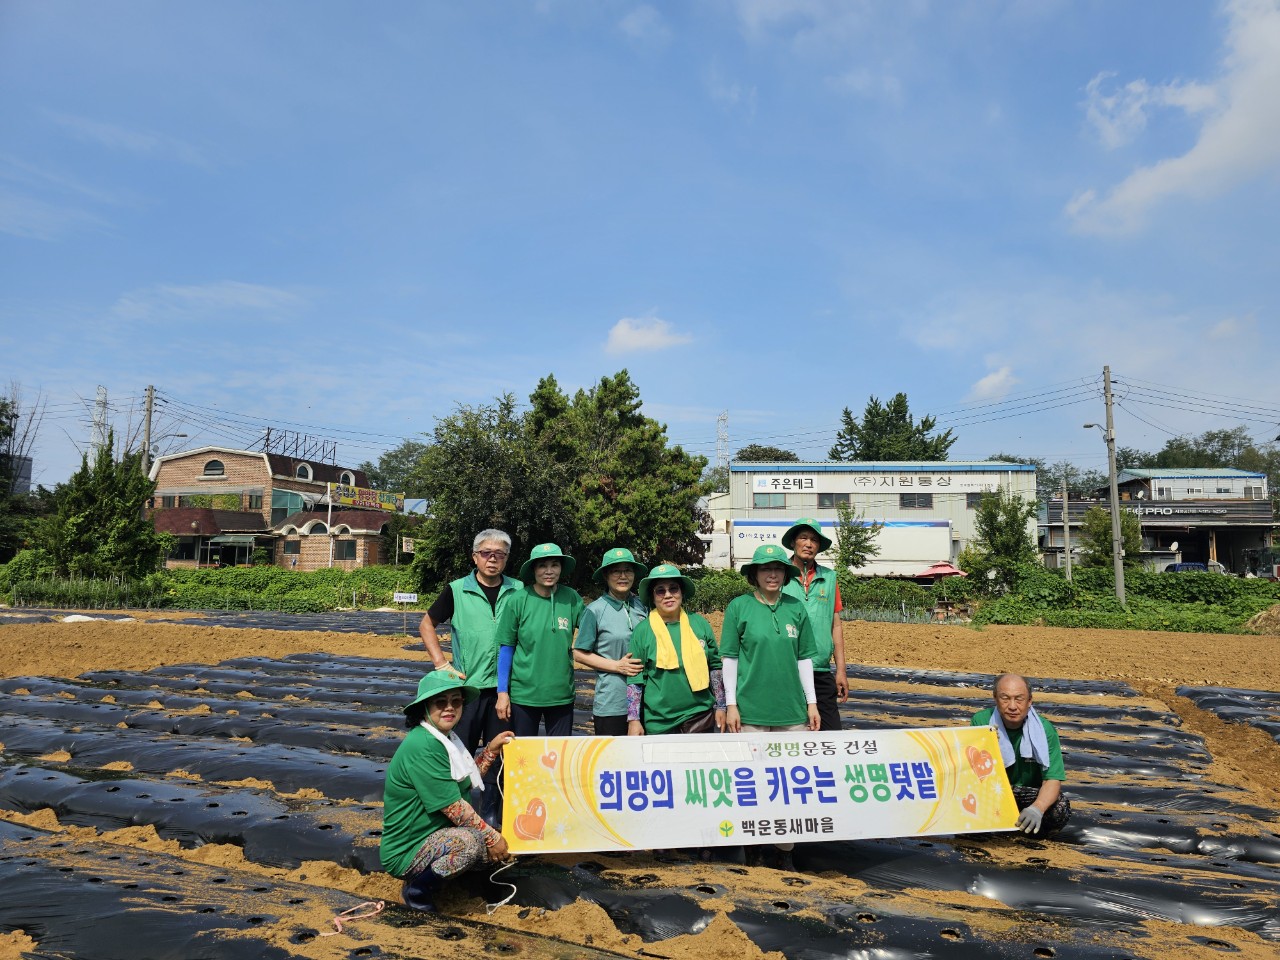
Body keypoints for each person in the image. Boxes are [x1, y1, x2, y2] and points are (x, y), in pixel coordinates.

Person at [380, 671, 514, 912]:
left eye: (456, 701)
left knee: (492, 848)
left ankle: (454, 883)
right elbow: (454, 808)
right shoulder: (422, 745)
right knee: (471, 843)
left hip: (437, 835)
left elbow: (466, 779)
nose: (449, 708)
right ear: (424, 708)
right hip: (409, 849)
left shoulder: (446, 739)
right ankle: (417, 892)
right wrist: (492, 838)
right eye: (440, 702)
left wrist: (491, 750)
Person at [419, 529, 520, 826]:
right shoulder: (457, 589)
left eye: (499, 555)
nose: (492, 559)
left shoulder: (518, 590)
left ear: (506, 559)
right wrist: (441, 663)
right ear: (475, 557)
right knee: (459, 753)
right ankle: (456, 814)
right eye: (486, 554)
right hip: (466, 690)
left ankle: (491, 815)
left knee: (499, 754)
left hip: (504, 691)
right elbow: (427, 624)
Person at [722, 543, 820, 733]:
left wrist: (812, 703)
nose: (772, 574)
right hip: (750, 711)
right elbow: (730, 659)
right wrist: (731, 705)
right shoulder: (738, 607)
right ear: (755, 574)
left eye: (778, 569)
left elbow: (804, 659)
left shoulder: (796, 607)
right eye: (765, 569)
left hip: (791, 710)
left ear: (785, 574)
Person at [625, 562, 725, 736]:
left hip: (700, 716)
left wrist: (721, 706)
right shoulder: (642, 631)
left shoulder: (699, 624)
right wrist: (634, 720)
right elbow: (635, 678)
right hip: (660, 721)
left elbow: (715, 667)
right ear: (653, 596)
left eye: (673, 589)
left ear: (682, 593)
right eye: (660, 590)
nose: (668, 595)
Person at [496, 543, 585, 737]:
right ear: (534, 569)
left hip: (561, 694)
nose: (549, 571)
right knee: (524, 759)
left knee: (560, 757)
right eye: (542, 566)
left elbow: (590, 632)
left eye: (555, 565)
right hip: (525, 695)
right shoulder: (518, 600)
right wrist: (502, 692)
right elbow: (506, 648)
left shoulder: (571, 598)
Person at [971, 673, 1071, 836]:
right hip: (993, 791)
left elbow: (1052, 779)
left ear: (1029, 701)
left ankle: (1032, 833)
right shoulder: (981, 722)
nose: (1012, 706)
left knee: (1060, 807)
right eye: (1005, 698)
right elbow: (971, 770)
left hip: (1027, 794)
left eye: (1019, 699)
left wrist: (1037, 808)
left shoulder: (1045, 730)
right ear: (995, 698)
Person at [781, 518, 847, 730]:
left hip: (819, 668)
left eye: (814, 540)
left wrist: (841, 671)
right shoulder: (779, 576)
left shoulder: (829, 578)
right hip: (787, 668)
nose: (808, 544)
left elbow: (835, 625)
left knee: (831, 732)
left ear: (819, 546)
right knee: (792, 732)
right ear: (793, 542)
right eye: (803, 538)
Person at [573, 547, 647, 736]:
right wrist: (617, 666)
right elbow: (579, 653)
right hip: (613, 701)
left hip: (647, 700)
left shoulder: (642, 606)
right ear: (606, 575)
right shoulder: (595, 610)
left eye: (628, 570)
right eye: (616, 571)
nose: (623, 576)